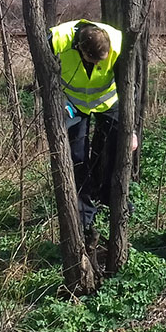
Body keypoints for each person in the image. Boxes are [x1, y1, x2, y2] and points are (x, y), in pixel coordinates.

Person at [50, 19, 129, 233]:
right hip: (74, 103)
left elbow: (128, 82)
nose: (96, 65)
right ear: (79, 48)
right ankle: (84, 211)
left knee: (115, 150)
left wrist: (131, 129)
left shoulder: (117, 40)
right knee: (78, 157)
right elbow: (42, 68)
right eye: (92, 61)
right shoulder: (58, 38)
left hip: (108, 102)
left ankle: (110, 198)